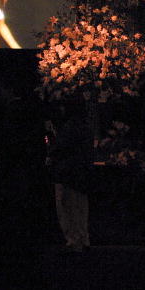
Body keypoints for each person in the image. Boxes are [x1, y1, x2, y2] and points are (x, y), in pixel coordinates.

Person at [47, 97, 93, 252]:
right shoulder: (85, 127)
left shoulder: (70, 127)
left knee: (68, 209)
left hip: (68, 175)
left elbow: (59, 149)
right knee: (80, 208)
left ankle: (74, 241)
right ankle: (82, 239)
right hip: (80, 175)